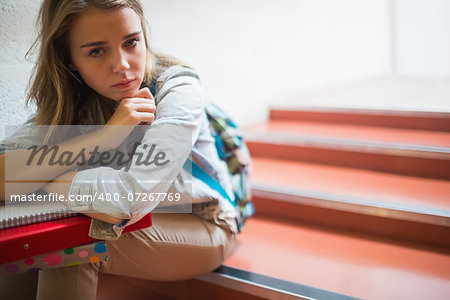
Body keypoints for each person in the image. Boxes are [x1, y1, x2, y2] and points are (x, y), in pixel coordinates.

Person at [0, 0, 238, 299]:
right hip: (123, 220)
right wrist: (103, 137)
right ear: (68, 58)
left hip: (202, 223)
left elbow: (126, 200)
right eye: (97, 51)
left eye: (131, 42)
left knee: (68, 247)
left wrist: (43, 180)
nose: (123, 66)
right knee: (18, 244)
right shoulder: (73, 99)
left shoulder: (176, 88)